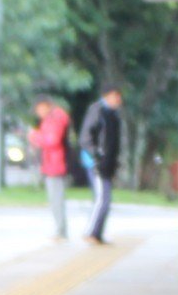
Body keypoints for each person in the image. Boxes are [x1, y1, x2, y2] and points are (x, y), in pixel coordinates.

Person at [78, 87, 123, 245]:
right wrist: (97, 155)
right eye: (116, 97)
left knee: (106, 199)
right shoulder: (97, 111)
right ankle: (91, 232)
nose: (118, 100)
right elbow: (85, 138)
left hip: (108, 164)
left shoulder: (114, 115)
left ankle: (97, 233)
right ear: (107, 96)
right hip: (96, 163)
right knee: (101, 198)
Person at [28, 99, 72, 241]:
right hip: (51, 163)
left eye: (40, 109)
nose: (39, 113)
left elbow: (52, 141)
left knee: (56, 198)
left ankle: (61, 231)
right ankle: (60, 230)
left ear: (47, 106)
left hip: (56, 163)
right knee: (54, 198)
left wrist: (34, 136)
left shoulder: (55, 119)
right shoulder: (51, 119)